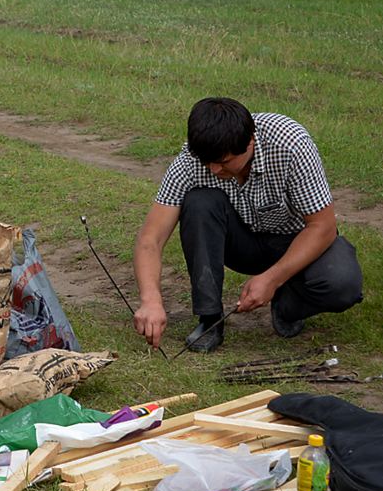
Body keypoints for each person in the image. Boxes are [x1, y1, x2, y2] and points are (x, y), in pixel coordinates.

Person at [132, 96, 363, 353]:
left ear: (250, 142)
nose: (214, 169)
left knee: (343, 283)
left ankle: (286, 303)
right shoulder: (192, 160)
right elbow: (150, 240)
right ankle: (211, 319)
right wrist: (150, 300)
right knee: (199, 202)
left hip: (295, 240)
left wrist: (272, 280)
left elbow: (323, 227)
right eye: (208, 162)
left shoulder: (291, 143)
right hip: (241, 243)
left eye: (224, 162)